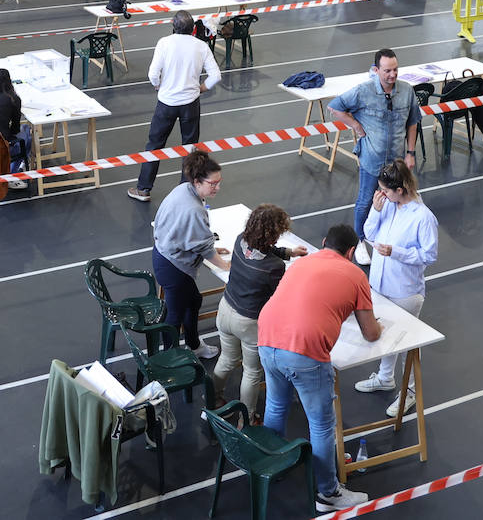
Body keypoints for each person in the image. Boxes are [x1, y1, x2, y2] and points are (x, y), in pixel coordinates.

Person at [258, 223, 379, 512]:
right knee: (322, 425)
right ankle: (328, 493)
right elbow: (371, 333)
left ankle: (270, 466)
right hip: (304, 352)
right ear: (351, 252)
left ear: (324, 242)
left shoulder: (303, 262)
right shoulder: (355, 274)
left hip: (266, 338)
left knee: (276, 405)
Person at [354, 160, 438, 416]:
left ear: (401, 189)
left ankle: (410, 392)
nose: (382, 195)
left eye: (386, 191)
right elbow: (367, 233)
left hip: (405, 291)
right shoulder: (387, 206)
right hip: (379, 285)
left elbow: (429, 255)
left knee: (406, 344)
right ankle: (385, 377)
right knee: (385, 335)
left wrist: (396, 252)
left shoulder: (423, 217)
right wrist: (376, 211)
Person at [213, 204, 307, 421]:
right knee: (252, 372)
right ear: (272, 234)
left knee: (226, 359)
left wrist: (289, 253)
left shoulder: (239, 240)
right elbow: (279, 298)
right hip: (248, 323)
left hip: (226, 309)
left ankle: (213, 399)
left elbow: (262, 249)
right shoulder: (273, 267)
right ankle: (247, 418)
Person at [327, 48, 421, 264]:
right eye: (387, 71)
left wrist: (410, 152)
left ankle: (385, 235)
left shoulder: (407, 91)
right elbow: (335, 107)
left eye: (396, 70)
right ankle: (360, 242)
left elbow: (413, 122)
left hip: (396, 161)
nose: (393, 75)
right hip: (371, 158)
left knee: (394, 199)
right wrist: (357, 127)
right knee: (365, 200)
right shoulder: (363, 91)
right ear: (376, 70)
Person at [128, 11, 222, 202]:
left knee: (154, 145)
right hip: (190, 104)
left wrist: (158, 85)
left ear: (173, 26)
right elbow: (216, 75)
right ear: (194, 28)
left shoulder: (164, 43)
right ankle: (185, 192)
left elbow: (153, 73)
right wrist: (202, 88)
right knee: (189, 149)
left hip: (166, 103)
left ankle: (144, 189)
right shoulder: (201, 46)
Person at [151, 150, 230, 358]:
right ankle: (170, 357)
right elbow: (203, 247)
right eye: (213, 184)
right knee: (175, 314)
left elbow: (190, 234)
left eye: (219, 182)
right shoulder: (194, 209)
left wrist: (211, 245)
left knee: (193, 300)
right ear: (197, 181)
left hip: (163, 254)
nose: (217, 187)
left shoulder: (183, 189)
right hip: (173, 267)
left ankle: (194, 345)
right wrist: (224, 265)